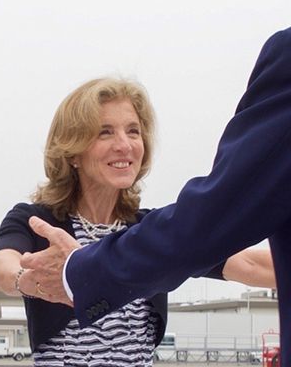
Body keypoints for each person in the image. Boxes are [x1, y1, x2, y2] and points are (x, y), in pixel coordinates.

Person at [20, 27, 291, 365]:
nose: (125, 144)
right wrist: (29, 278)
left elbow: (243, 258)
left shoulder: (147, 227)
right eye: (105, 132)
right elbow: (5, 268)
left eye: (133, 131)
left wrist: (76, 272)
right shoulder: (37, 220)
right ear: (72, 150)